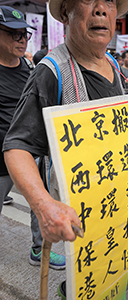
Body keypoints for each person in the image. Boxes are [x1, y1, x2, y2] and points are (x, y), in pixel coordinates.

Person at [2, 0, 128, 299]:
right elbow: (17, 146)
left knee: (125, 284)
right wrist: (43, 206)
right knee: (85, 285)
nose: (101, 9)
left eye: (109, 1)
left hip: (124, 211)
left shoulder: (113, 65)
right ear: (66, 12)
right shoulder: (51, 72)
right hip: (83, 223)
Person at [0, 5, 65, 270]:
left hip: (33, 154)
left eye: (24, 35)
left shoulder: (30, 68)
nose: (22, 40)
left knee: (42, 204)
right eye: (14, 34)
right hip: (1, 160)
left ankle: (40, 250)